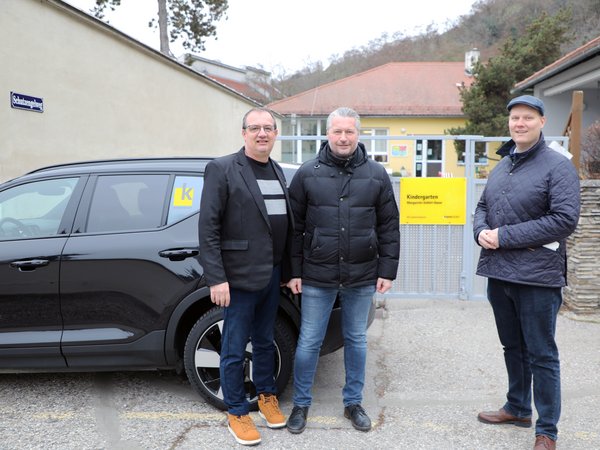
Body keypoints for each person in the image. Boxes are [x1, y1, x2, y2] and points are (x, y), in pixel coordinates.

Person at [473, 95, 580, 450]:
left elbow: (564, 220)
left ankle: (546, 430)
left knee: (542, 353)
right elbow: (483, 206)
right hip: (499, 274)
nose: (519, 123)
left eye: (527, 118)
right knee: (512, 346)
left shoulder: (558, 165)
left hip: (537, 277)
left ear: (542, 122)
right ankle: (518, 407)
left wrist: (502, 237)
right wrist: (480, 231)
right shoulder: (503, 165)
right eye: (514, 118)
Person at [285, 107, 400, 434]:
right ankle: (301, 404)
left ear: (358, 134)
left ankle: (353, 402)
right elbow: (294, 229)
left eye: (349, 132)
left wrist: (387, 270)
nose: (343, 137)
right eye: (337, 131)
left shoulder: (376, 174)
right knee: (309, 341)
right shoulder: (308, 173)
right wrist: (294, 271)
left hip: (362, 275)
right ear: (328, 134)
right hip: (317, 275)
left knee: (356, 341)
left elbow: (389, 226)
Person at [198, 107, 293, 446]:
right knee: (235, 348)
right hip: (236, 278)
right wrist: (216, 278)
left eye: (268, 128)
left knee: (265, 341)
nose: (262, 133)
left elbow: (283, 227)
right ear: (244, 133)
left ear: (275, 134)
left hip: (272, 274)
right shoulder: (222, 169)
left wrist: (289, 272)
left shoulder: (278, 171)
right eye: (255, 128)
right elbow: (208, 227)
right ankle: (237, 411)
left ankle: (266, 395)